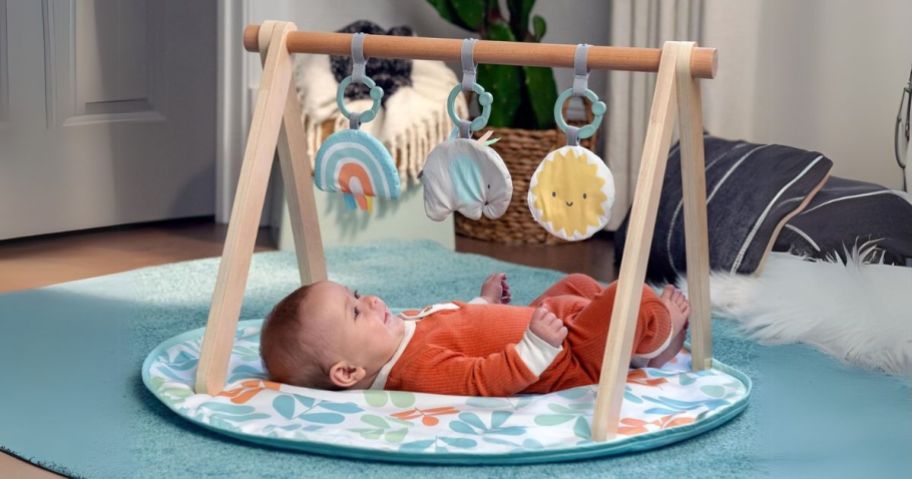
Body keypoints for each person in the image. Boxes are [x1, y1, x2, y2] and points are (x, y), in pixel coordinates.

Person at [260, 273, 689, 397]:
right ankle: (658, 341)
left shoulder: (395, 335)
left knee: (575, 283)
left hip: (548, 322)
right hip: (569, 357)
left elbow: (459, 326)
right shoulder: (416, 369)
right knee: (627, 295)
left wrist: (485, 304)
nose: (370, 300)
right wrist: (537, 346)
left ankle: (629, 342)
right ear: (349, 371)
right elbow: (482, 379)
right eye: (355, 311)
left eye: (357, 294)